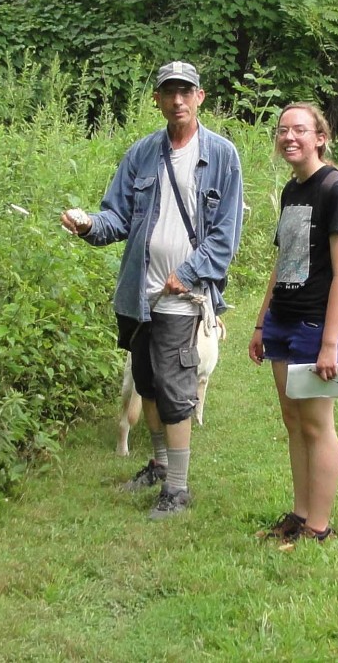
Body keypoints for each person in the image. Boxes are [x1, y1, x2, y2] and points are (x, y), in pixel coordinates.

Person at [62, 61, 244, 519]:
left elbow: (227, 232)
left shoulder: (222, 156)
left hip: (184, 298)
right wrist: (87, 225)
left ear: (200, 97)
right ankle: (160, 465)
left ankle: (178, 491)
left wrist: (190, 271)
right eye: (169, 92)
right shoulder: (142, 154)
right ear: (158, 100)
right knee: (147, 383)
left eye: (186, 91)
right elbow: (115, 218)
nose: (178, 100)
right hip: (139, 295)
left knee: (176, 390)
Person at [248, 102, 338, 544]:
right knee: (293, 421)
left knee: (317, 424)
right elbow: (284, 261)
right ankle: (299, 513)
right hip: (283, 320)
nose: (289, 137)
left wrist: (330, 343)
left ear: (320, 137)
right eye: (282, 131)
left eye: (299, 130)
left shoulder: (336, 190)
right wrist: (261, 323)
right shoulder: (292, 191)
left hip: (317, 326)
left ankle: (319, 526)